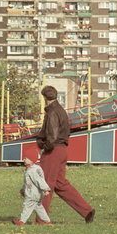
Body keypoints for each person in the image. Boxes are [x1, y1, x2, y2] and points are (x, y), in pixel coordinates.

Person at [36, 85, 95, 224]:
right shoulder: (61, 110)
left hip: (53, 150)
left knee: (45, 185)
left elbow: (52, 134)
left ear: (44, 97)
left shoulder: (52, 112)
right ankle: (87, 211)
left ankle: (42, 220)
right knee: (60, 184)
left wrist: (44, 145)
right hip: (62, 150)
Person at [13, 146, 52, 225]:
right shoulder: (35, 168)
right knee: (39, 208)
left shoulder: (32, 171)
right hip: (38, 194)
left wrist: (45, 189)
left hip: (32, 194)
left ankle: (21, 221)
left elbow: (39, 180)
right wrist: (23, 190)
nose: (23, 160)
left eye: (25, 158)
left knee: (27, 206)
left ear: (31, 160)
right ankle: (48, 221)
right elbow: (28, 183)